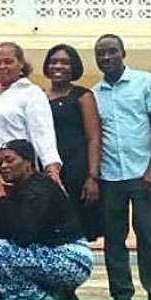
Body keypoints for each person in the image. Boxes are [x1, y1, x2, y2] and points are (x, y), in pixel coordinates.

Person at [0, 42, 62, 253]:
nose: (2, 67)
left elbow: (43, 134)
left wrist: (52, 170)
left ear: (21, 64)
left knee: (9, 238)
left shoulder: (31, 93)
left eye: (9, 61)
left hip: (10, 180)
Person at [93, 34, 151, 300]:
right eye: (101, 53)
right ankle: (121, 294)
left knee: (148, 234)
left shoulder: (145, 82)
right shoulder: (95, 93)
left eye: (112, 51)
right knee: (114, 238)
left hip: (143, 173)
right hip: (110, 175)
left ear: (123, 52)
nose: (106, 58)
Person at [0, 140, 93, 300]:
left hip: (71, 258)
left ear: (28, 163)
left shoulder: (40, 186)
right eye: (0, 162)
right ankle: (56, 297)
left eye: (10, 160)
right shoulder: (22, 188)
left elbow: (24, 234)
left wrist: (1, 197)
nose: (3, 166)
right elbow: (8, 233)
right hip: (49, 254)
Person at [44, 44, 103, 241]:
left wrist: (92, 177)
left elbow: (93, 137)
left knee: (76, 232)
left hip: (77, 174)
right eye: (54, 62)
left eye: (65, 62)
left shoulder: (82, 96)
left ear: (74, 67)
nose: (58, 66)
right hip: (49, 173)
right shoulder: (39, 97)